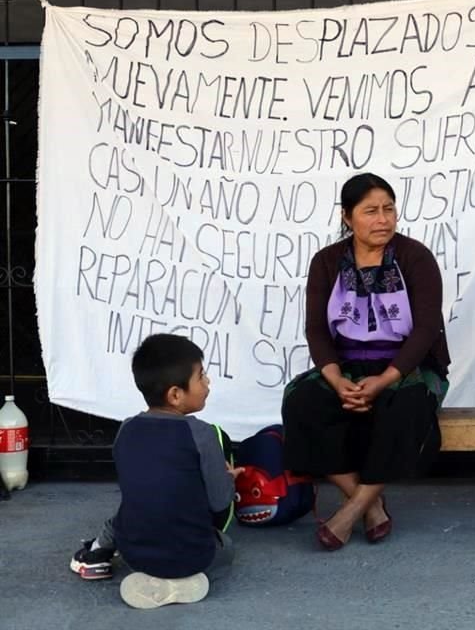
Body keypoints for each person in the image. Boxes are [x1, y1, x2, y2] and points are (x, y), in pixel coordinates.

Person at [282, 172, 449, 551]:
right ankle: (372, 506)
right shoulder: (326, 262)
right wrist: (337, 379)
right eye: (370, 211)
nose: (383, 219)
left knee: (408, 405)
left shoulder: (415, 257)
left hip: (406, 366)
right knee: (302, 403)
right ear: (347, 218)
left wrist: (385, 379)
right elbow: (316, 331)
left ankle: (352, 509)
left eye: (389, 209)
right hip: (346, 367)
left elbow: (425, 331)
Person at [69, 333, 241, 610]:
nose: (207, 383)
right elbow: (219, 502)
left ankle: (101, 552)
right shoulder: (202, 434)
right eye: (202, 376)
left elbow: (141, 488)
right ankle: (182, 580)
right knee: (227, 548)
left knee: (131, 512)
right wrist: (229, 480)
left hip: (135, 554)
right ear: (175, 394)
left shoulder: (126, 429)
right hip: (194, 555)